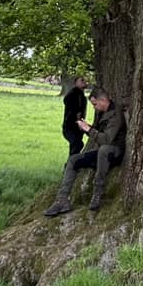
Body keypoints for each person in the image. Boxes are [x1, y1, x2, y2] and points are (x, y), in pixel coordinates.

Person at [44, 86, 126, 215]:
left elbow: (106, 140)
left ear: (103, 100)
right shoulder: (101, 112)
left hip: (114, 152)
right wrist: (86, 127)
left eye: (95, 104)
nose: (94, 107)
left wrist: (88, 129)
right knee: (73, 160)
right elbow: (96, 132)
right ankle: (62, 200)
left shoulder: (116, 115)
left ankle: (97, 194)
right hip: (102, 152)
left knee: (103, 150)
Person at [62, 75, 89, 157]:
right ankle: (70, 163)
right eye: (82, 80)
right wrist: (77, 117)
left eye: (85, 80)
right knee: (78, 144)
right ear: (76, 83)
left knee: (74, 149)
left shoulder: (81, 95)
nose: (85, 82)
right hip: (70, 127)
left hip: (78, 128)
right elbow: (66, 100)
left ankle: (71, 163)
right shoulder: (73, 93)